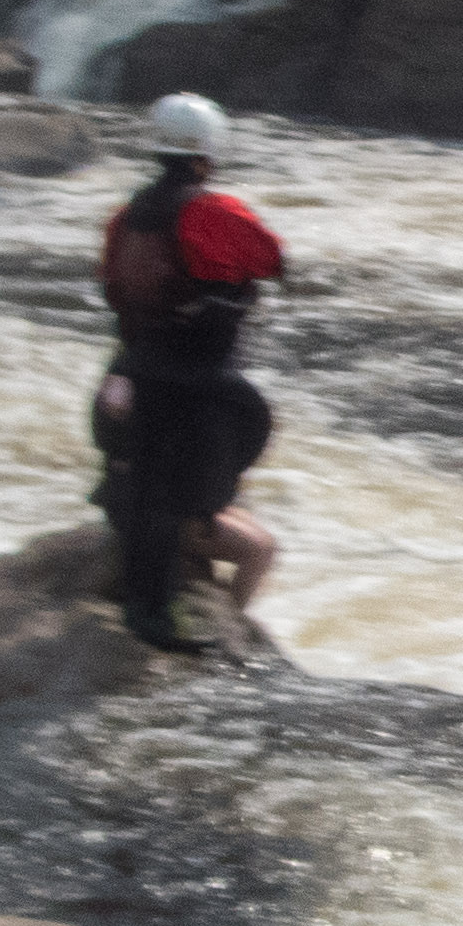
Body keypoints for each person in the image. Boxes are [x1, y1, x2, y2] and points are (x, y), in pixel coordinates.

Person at [94, 93, 287, 653]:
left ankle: (152, 596)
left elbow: (112, 288)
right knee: (185, 493)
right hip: (193, 383)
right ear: (206, 156)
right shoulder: (213, 211)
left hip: (137, 369)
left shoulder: (125, 218)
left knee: (147, 483)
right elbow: (271, 258)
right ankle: (168, 619)